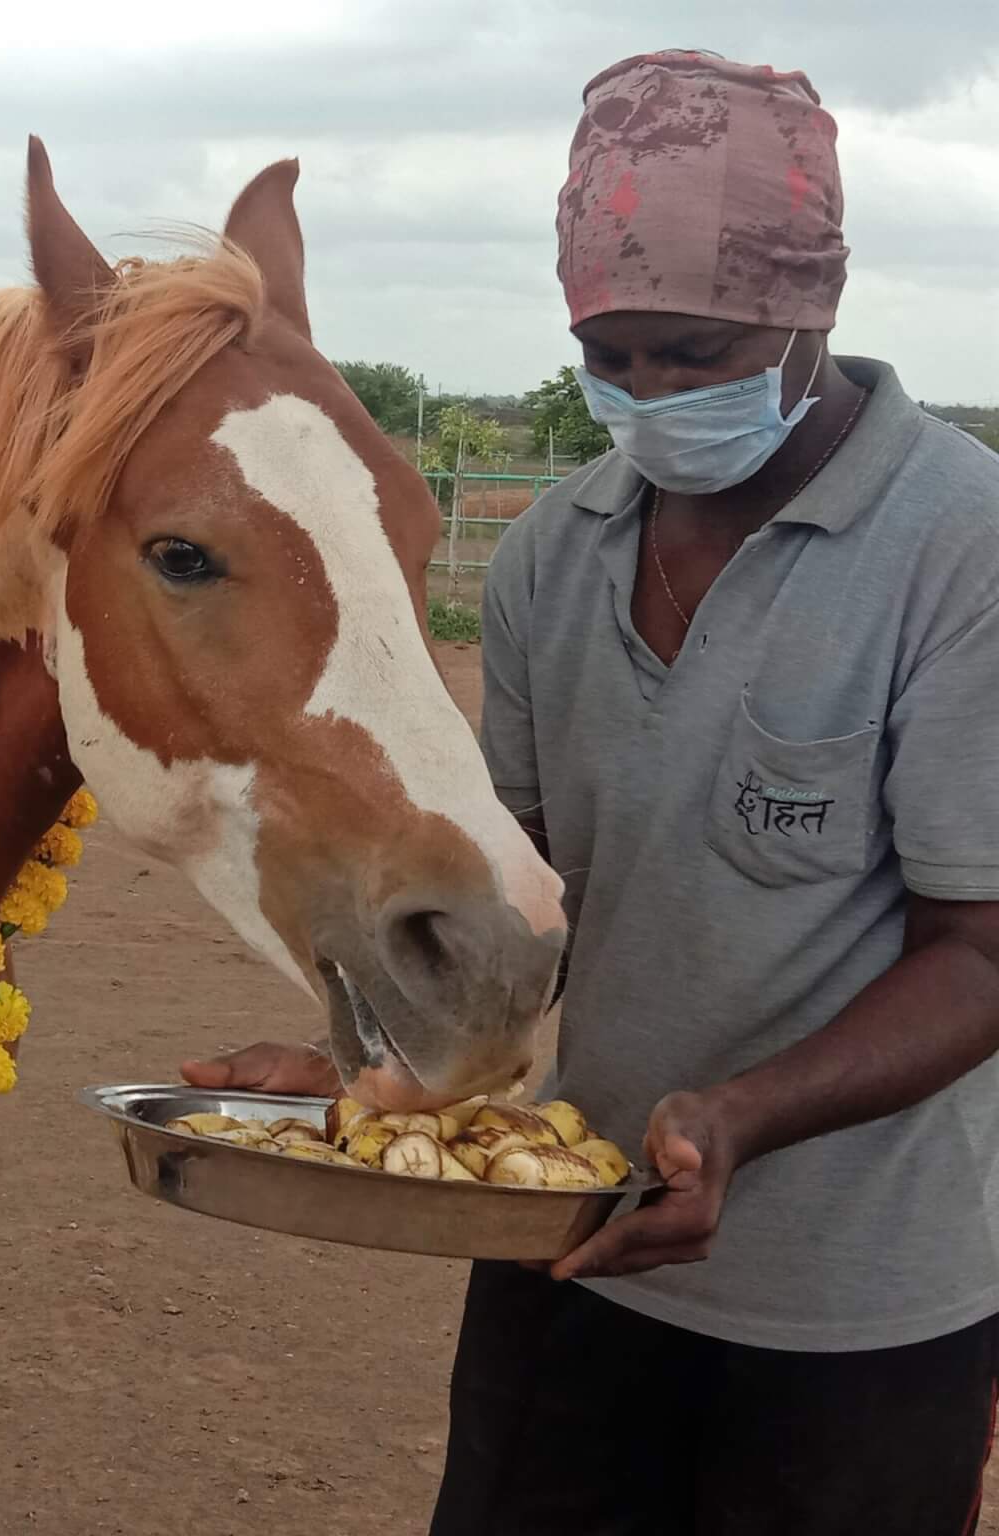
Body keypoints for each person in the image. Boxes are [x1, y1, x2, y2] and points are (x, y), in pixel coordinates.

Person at [185, 50, 999, 1534]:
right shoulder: (556, 552)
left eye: (691, 355)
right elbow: (516, 876)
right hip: (572, 1252)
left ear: (807, 312)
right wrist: (364, 1047)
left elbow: (982, 952)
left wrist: (742, 1119)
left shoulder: (961, 546)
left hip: (854, 1323)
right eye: (608, 357)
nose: (646, 398)